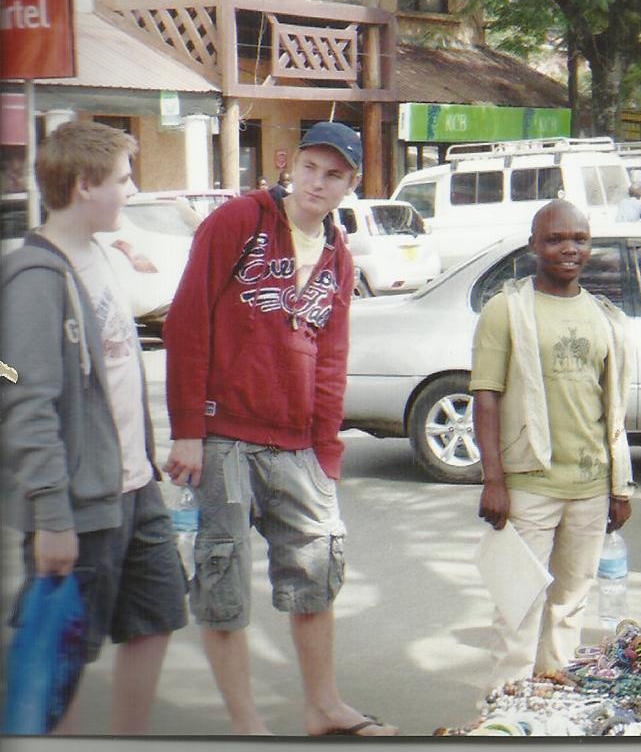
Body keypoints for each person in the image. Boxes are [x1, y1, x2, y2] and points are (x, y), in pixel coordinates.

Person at [161, 122, 397, 736]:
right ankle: (249, 729)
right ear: (290, 165)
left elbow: (332, 358)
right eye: (311, 168)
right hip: (223, 434)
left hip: (297, 444)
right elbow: (187, 321)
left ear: (351, 183)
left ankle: (323, 706)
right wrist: (188, 429)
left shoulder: (339, 255)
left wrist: (327, 450)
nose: (318, 183)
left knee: (317, 571)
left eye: (334, 174)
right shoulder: (239, 221)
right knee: (223, 579)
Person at [0, 120, 188, 734]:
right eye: (123, 180)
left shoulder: (98, 251)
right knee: (62, 656)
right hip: (80, 504)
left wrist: (129, 244)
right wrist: (52, 516)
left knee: (157, 618)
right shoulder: (34, 279)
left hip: (136, 487)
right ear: (85, 185)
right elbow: (25, 404)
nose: (132, 191)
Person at [472, 198, 634, 688]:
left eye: (579, 239)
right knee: (518, 604)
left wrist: (619, 486)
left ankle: (550, 702)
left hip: (590, 487)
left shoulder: (605, 317)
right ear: (533, 246)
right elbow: (486, 397)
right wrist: (494, 481)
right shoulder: (506, 310)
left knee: (570, 604)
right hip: (529, 484)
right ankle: (503, 708)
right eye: (555, 239)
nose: (569, 248)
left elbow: (613, 409)